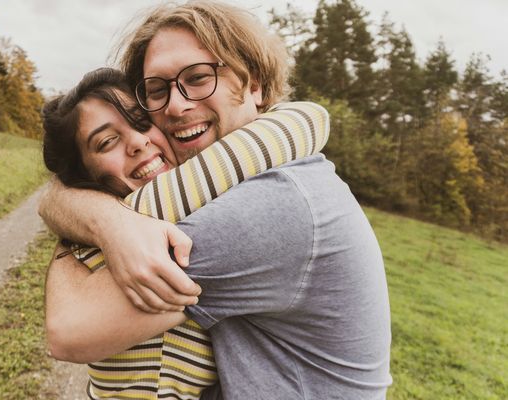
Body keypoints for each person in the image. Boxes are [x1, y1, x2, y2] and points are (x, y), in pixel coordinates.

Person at [44, 1, 392, 399]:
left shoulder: (271, 206)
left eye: (198, 77)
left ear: (255, 85)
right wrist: (102, 219)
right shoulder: (233, 184)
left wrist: (93, 218)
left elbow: (71, 329)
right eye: (157, 90)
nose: (176, 105)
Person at [42, 67, 329, 399]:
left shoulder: (97, 228)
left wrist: (78, 211)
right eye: (107, 142)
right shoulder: (171, 230)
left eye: (140, 121)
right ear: (85, 174)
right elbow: (307, 121)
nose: (137, 142)